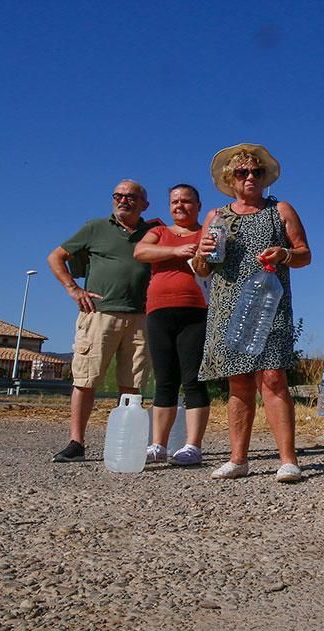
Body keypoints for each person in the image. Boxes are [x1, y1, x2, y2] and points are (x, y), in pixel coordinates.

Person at [190, 143, 311, 482]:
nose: (250, 178)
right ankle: (238, 459)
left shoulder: (280, 210)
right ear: (230, 178)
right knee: (239, 382)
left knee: (273, 378)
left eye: (256, 172)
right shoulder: (216, 217)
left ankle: (288, 460)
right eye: (242, 173)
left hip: (269, 303)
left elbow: (305, 253)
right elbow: (202, 269)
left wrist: (285, 254)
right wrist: (201, 252)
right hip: (228, 305)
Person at [47, 180, 154, 462]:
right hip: (99, 314)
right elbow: (56, 256)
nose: (123, 200)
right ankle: (76, 443)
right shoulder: (95, 228)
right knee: (85, 379)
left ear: (144, 204)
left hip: (141, 317)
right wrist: (73, 289)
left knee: (132, 384)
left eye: (131, 197)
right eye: (118, 196)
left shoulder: (154, 233)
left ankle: (122, 444)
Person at [132, 184, 211, 466]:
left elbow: (211, 265)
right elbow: (140, 252)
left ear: (198, 206)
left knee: (193, 378)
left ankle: (192, 446)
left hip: (196, 311)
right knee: (164, 380)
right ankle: (158, 445)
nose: (180, 206)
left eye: (187, 202)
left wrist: (199, 254)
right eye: (175, 202)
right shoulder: (159, 232)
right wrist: (177, 252)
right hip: (158, 311)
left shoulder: (206, 234)